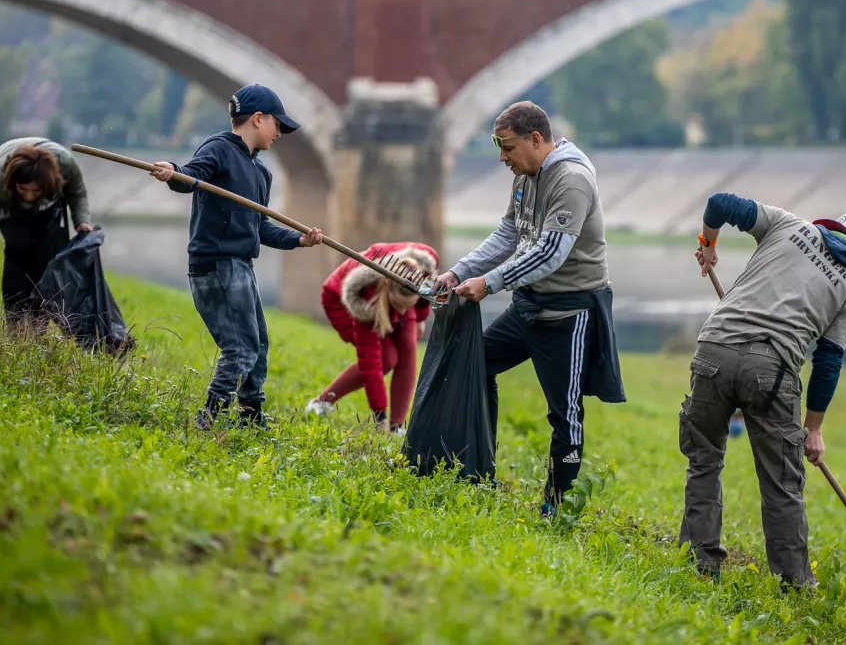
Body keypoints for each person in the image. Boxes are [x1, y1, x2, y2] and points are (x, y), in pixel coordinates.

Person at [431, 101, 624, 515]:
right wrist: (459, 271)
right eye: (498, 146)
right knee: (476, 363)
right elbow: (509, 234)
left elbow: (550, 252)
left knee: (565, 414)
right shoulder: (525, 176)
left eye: (507, 146)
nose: (502, 157)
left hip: (568, 313)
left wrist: (489, 282)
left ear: (536, 139)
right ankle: (479, 464)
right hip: (528, 304)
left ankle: (557, 508)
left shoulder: (571, 180)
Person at [679, 198, 846, 587]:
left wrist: (709, 244)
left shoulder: (787, 224)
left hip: (713, 349)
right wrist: (813, 428)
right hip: (771, 372)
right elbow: (828, 362)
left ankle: (698, 566)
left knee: (704, 461)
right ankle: (793, 584)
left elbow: (719, 204)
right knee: (782, 485)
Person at [149, 83, 324, 430]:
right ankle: (209, 419)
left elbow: (261, 228)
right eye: (278, 125)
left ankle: (250, 417)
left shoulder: (261, 173)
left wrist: (299, 240)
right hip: (216, 266)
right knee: (241, 348)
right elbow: (190, 176)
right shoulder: (219, 149)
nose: (280, 134)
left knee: (258, 344)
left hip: (241, 266)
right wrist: (171, 170)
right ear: (258, 119)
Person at [0, 138, 93, 323]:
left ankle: (38, 326)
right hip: (8, 200)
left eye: (34, 191)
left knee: (46, 253)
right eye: (24, 189)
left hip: (48, 196)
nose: (28, 196)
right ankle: (16, 324)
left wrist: (81, 221)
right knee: (18, 246)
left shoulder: (65, 166)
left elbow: (78, 192)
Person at [306, 241, 439, 435]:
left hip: (394, 291)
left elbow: (425, 293)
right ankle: (321, 402)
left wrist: (419, 317)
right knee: (387, 359)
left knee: (408, 346)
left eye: (408, 305)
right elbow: (371, 363)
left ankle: (397, 427)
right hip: (341, 300)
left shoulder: (424, 265)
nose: (402, 311)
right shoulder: (365, 298)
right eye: (398, 305)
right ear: (388, 289)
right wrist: (380, 416)